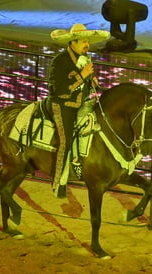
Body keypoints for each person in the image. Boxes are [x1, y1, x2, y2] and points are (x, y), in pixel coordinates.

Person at [48, 23, 110, 198]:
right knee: (65, 141)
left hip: (82, 104)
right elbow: (60, 90)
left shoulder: (85, 58)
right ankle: (58, 182)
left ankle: (83, 164)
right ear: (73, 42)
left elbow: (85, 81)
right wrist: (82, 76)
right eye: (84, 41)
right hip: (62, 105)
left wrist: (91, 81)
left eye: (87, 42)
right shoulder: (59, 61)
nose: (87, 45)